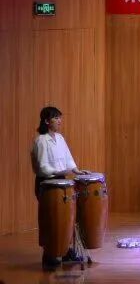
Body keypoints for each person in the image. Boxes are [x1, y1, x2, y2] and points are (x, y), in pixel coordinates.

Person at [31, 106, 90, 269]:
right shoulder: (41, 140)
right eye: (56, 118)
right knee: (50, 220)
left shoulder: (60, 138)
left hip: (61, 181)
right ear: (46, 121)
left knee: (65, 219)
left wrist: (76, 170)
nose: (59, 121)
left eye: (59, 117)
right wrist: (59, 171)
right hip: (46, 184)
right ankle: (49, 255)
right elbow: (42, 167)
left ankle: (65, 251)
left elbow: (68, 158)